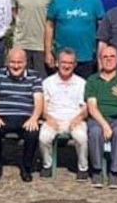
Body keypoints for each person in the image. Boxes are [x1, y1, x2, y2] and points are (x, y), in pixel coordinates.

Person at [0, 47, 44, 183]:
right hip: (2, 115)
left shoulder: (34, 76)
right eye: (13, 62)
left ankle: (26, 166)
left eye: (19, 62)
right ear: (7, 62)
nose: (16, 66)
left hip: (25, 116)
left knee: (32, 133)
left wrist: (34, 118)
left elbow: (39, 100)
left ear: (25, 63)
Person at [84, 44, 117, 189]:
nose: (109, 59)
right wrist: (105, 125)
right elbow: (92, 107)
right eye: (105, 56)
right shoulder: (93, 80)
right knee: (94, 132)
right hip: (98, 117)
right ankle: (97, 170)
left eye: (112, 56)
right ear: (100, 59)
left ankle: (115, 171)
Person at [45, 0, 105, 78]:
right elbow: (49, 26)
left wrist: (101, 53)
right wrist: (48, 52)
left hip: (87, 57)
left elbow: (102, 27)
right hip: (62, 57)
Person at [38, 48, 89, 180]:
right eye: (63, 62)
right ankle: (47, 165)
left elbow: (86, 107)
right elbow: (42, 106)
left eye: (70, 63)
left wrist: (79, 117)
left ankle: (83, 167)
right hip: (53, 118)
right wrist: (47, 117)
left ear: (75, 65)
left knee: (81, 137)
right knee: (44, 137)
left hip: (74, 119)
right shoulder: (47, 82)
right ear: (57, 63)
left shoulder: (82, 83)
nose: (66, 66)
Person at [10, 0, 58, 77]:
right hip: (21, 45)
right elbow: (14, 11)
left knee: (42, 83)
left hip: (42, 46)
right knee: (22, 84)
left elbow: (55, 18)